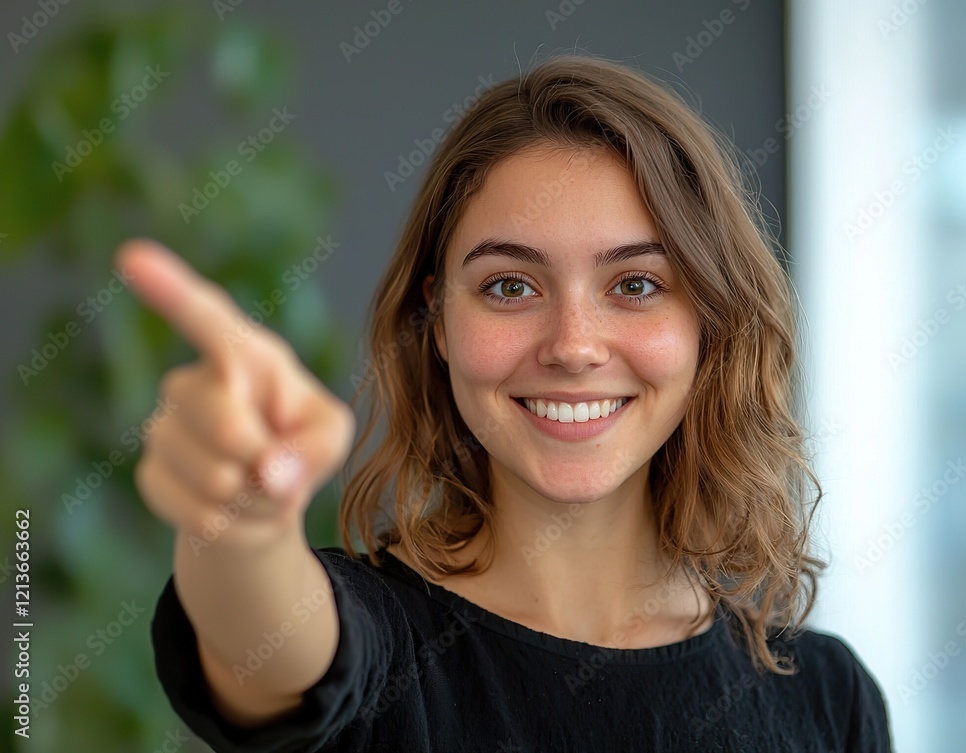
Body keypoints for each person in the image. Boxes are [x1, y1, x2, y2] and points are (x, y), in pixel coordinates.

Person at [120, 55, 894, 751]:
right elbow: (267, 649)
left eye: (635, 284)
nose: (573, 345)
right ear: (438, 321)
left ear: (708, 324)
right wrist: (243, 524)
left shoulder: (829, 698)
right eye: (511, 286)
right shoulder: (373, 644)